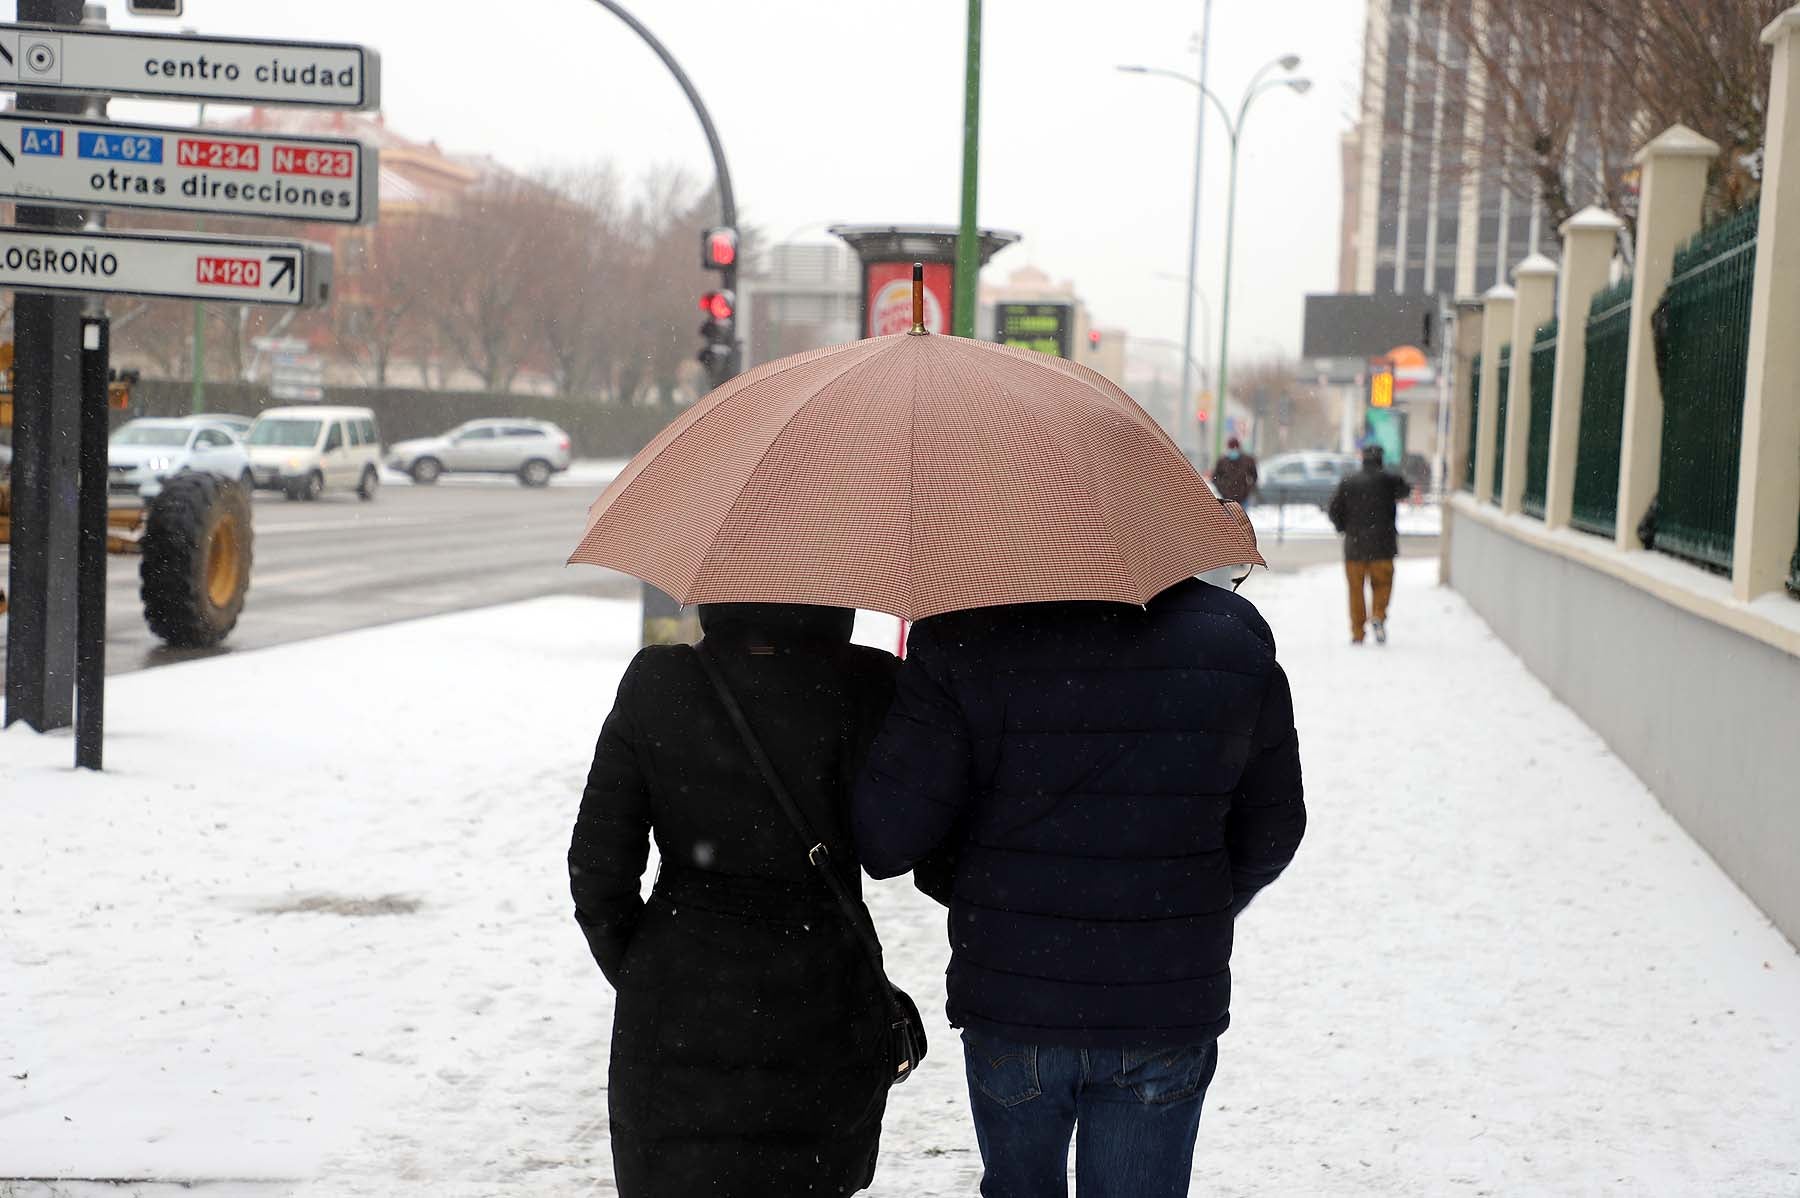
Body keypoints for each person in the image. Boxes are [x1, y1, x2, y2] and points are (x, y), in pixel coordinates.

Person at [853, 578, 1306, 1198]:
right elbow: (1275, 826)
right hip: (1162, 1002)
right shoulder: (1229, 636)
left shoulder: (962, 635)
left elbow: (890, 837)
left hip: (1014, 995)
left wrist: (976, 884)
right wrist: (1194, 903)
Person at [569, 603, 897, 1197]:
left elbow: (598, 870)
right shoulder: (869, 684)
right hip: (824, 996)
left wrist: (646, 973)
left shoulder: (660, 683)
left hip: (678, 1002)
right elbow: (899, 846)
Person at [1327, 444, 1412, 645]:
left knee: (1356, 590)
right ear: (1381, 460)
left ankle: (1358, 632)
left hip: (1354, 546)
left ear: (1362, 459)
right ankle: (1379, 615)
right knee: (1382, 584)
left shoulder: (1348, 482)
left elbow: (1333, 509)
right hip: (1383, 546)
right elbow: (1405, 490)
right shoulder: (1389, 481)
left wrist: (1343, 527)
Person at [1211, 436, 1259, 505]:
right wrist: (1222, 491)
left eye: (1235, 448)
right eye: (1231, 448)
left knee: (1241, 515)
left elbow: (1254, 476)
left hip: (1243, 498)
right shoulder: (1222, 461)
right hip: (1226, 498)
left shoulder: (1248, 461)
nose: (1233, 450)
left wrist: (1247, 491)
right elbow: (1214, 477)